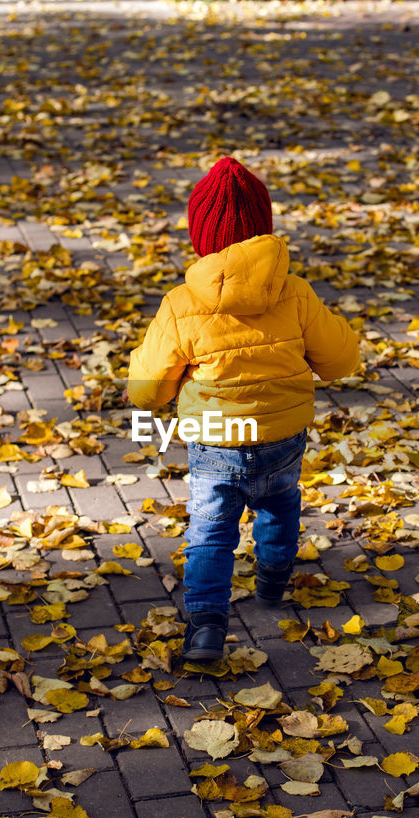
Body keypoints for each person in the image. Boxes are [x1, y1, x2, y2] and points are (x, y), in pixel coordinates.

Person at [126, 156, 360, 662]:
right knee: (279, 505)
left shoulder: (180, 304)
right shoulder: (295, 293)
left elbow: (148, 393)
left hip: (215, 441)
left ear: (200, 236)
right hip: (282, 436)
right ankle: (273, 584)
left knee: (210, 531)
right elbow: (341, 360)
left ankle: (206, 625)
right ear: (264, 228)